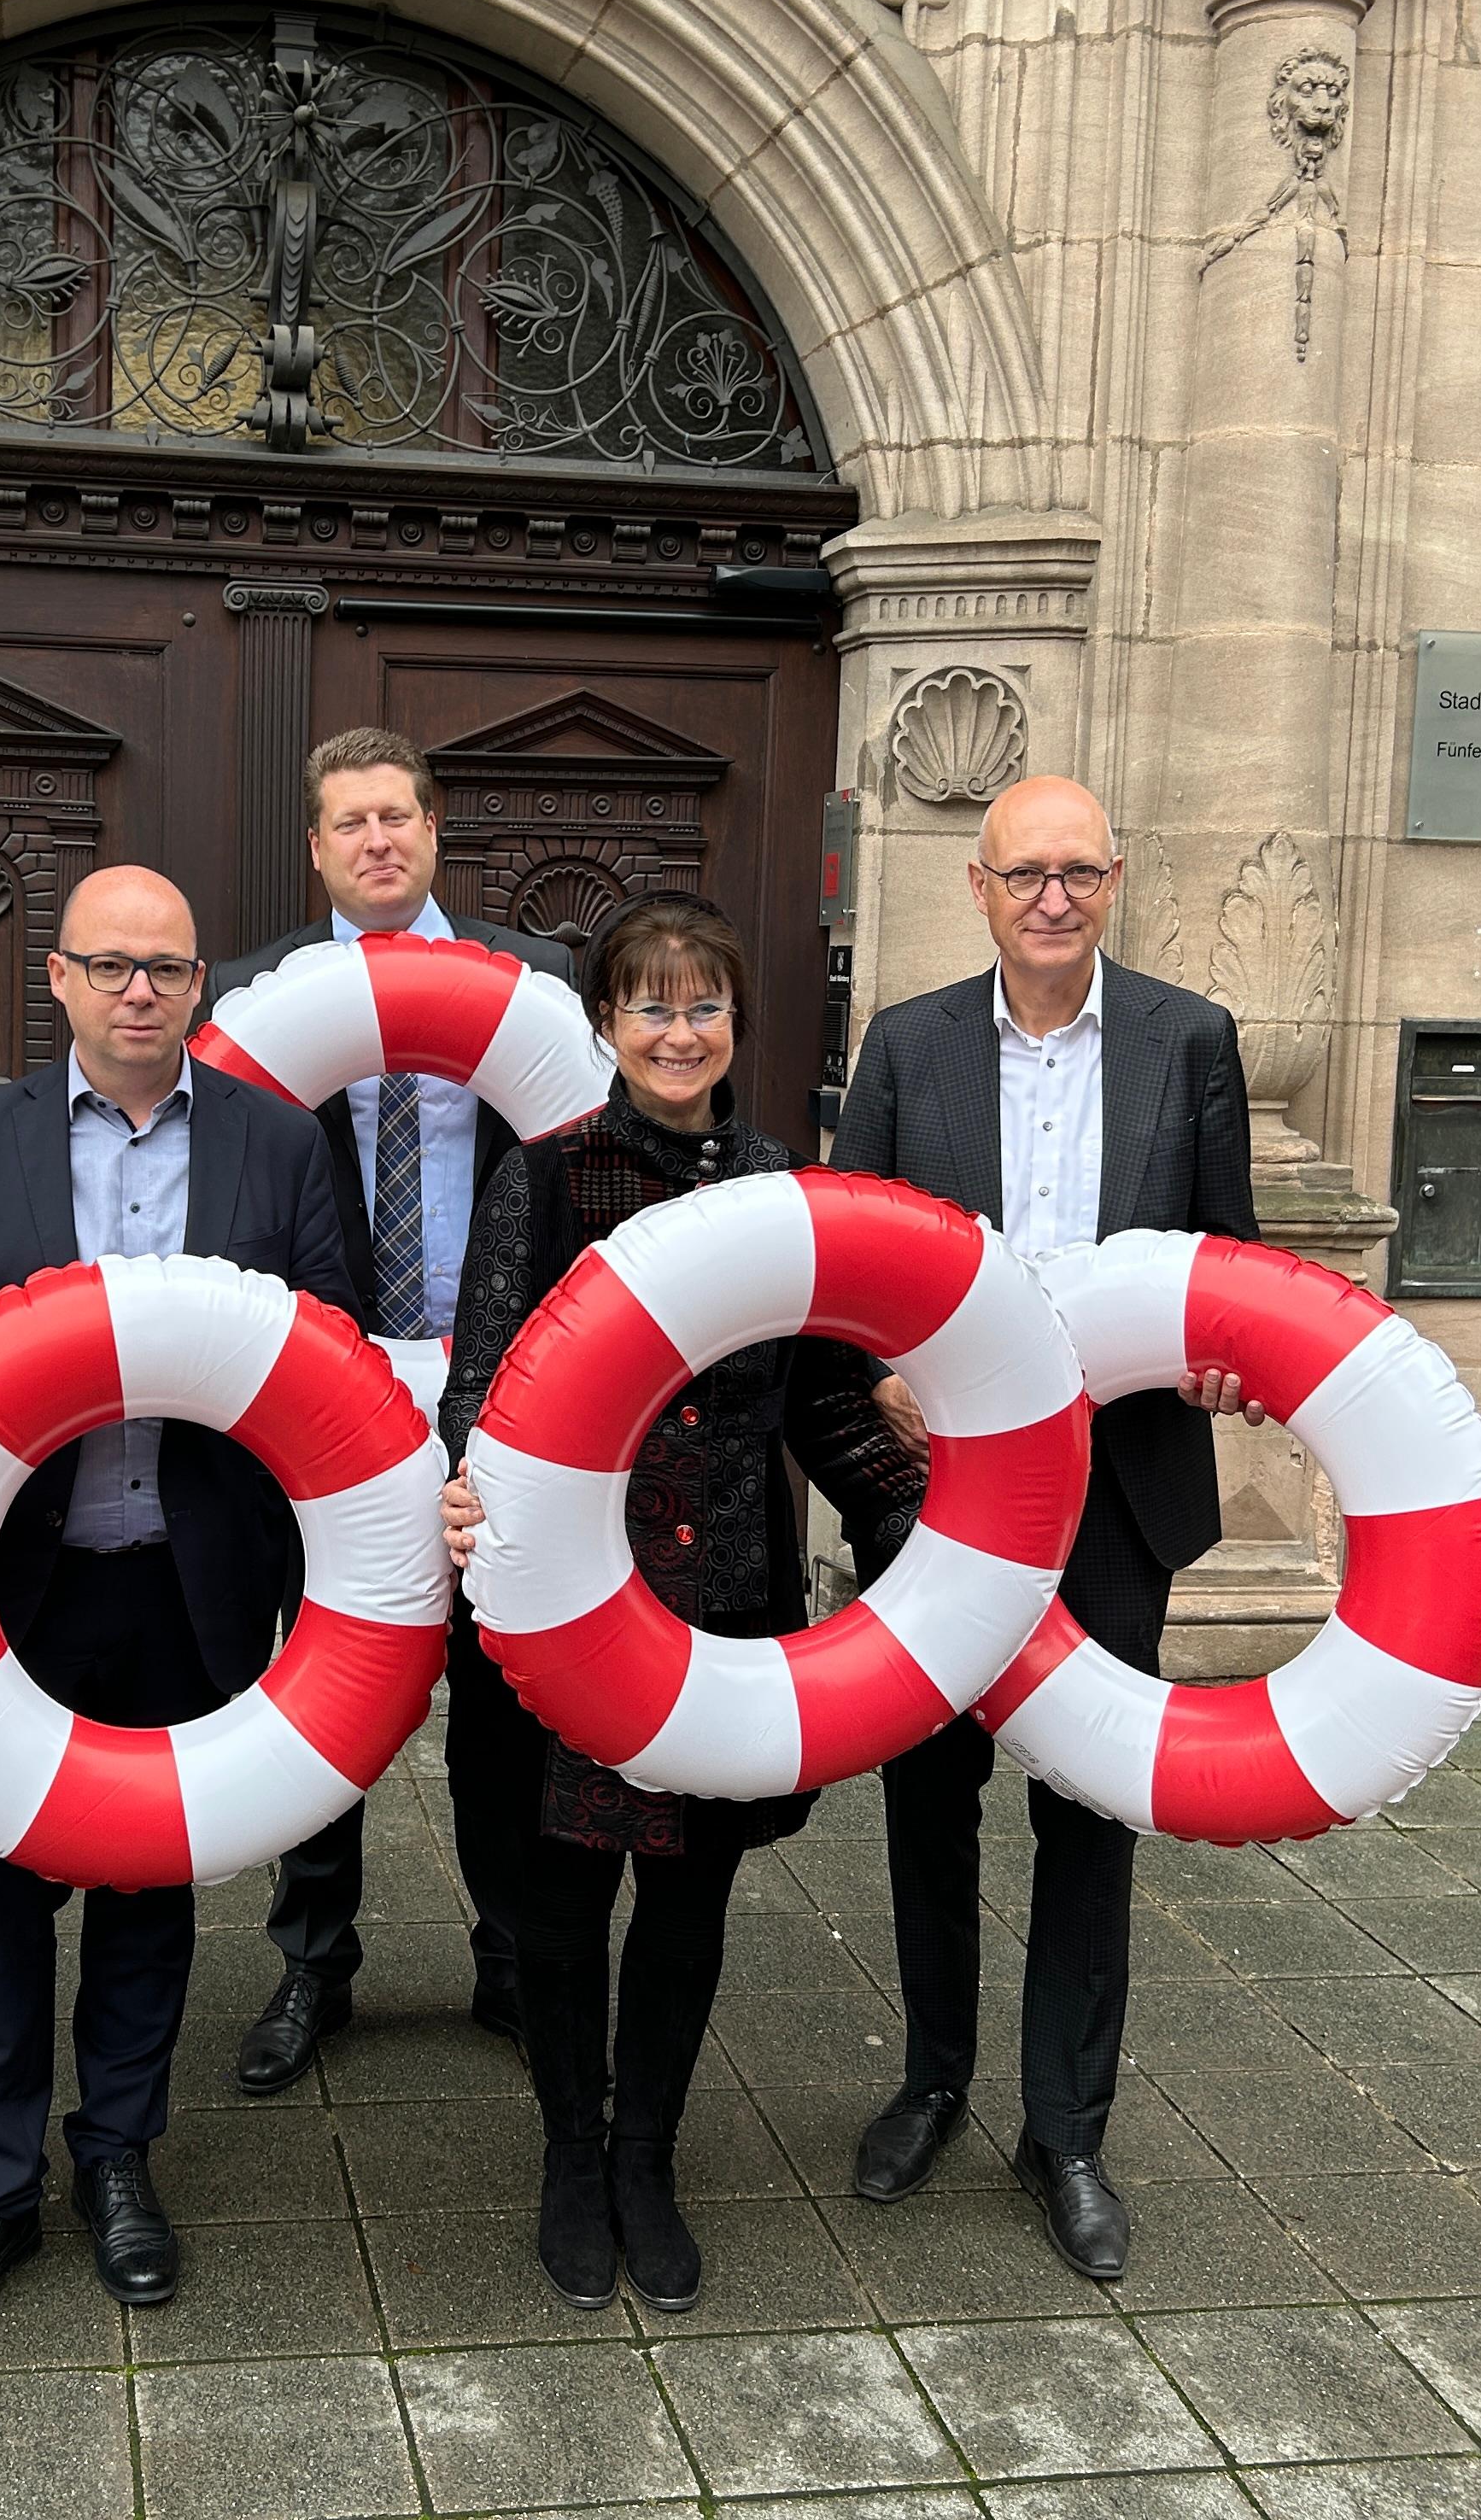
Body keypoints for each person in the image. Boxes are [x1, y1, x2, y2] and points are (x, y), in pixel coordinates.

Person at [0, 865, 357, 2352]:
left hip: (188, 1578)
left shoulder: (272, 1141)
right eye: (113, 966)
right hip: (7, 1587)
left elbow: (326, 1345)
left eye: (169, 969)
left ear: (202, 989)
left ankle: (119, 2158)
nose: (142, 991)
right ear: (57, 979)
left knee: (147, 1887)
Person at [432, 891, 921, 2314]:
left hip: (729, 1597)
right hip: (584, 1596)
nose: (679, 1029)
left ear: (735, 1025)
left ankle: (649, 2153)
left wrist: (925, 1506)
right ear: (604, 1023)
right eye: (649, 1003)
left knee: (692, 1891)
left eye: (704, 1003)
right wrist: (470, 1487)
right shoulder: (547, 1173)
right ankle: (572, 2159)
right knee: (570, 1897)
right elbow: (486, 1379)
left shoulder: (780, 1179)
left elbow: (823, 1396)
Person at [834, 775, 1262, 2283]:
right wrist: (879, 1381)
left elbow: (1232, 1257)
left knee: (1087, 1806)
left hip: (1118, 1487)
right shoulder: (908, 1044)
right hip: (943, 1486)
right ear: (980, 886)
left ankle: (1066, 2130)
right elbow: (856, 1259)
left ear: (1117, 881)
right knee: (928, 1791)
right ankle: (935, 2078)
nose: (1055, 897)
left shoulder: (1187, 1040)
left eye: (1080, 871)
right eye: (1029, 873)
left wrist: (1228, 1355)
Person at [206, 726, 575, 2093]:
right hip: (324, 1403)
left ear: (432, 832)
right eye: (349, 822)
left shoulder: (535, 984)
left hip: (505, 1395)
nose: (377, 840)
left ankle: (510, 1950)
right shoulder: (254, 999)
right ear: (317, 848)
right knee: (326, 1675)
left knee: (505, 1684)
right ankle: (315, 1961)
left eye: (398, 818)